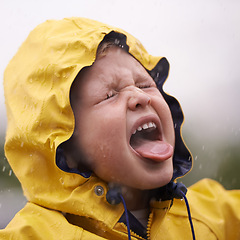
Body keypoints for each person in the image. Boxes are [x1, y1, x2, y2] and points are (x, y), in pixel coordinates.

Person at [0, 17, 239, 240]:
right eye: (109, 95)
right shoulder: (35, 235)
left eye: (145, 84)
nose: (139, 96)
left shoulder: (213, 218)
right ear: (66, 150)